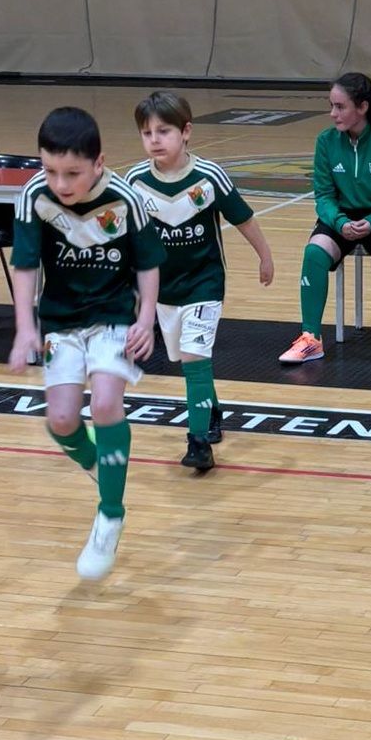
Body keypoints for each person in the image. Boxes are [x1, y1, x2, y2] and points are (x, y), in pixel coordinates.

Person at [6, 107, 166, 579]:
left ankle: (110, 514)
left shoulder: (126, 199)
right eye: (50, 170)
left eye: (72, 172)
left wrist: (146, 319)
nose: (60, 182)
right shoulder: (33, 197)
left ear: (98, 164)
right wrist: (24, 326)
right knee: (60, 420)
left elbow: (148, 265)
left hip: (113, 315)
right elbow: (25, 266)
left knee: (107, 406)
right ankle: (103, 466)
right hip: (61, 320)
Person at [127, 91, 274, 472]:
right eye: (147, 133)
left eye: (164, 131)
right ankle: (211, 409)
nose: (155, 140)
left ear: (186, 131)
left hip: (204, 283)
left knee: (195, 355)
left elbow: (243, 218)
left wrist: (265, 255)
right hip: (164, 290)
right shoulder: (135, 181)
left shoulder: (209, 177)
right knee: (187, 361)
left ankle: (198, 444)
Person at [278, 71, 371, 368]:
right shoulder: (326, 142)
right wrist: (339, 223)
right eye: (331, 106)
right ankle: (311, 338)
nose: (333, 114)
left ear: (362, 107)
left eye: (340, 106)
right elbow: (323, 196)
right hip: (341, 220)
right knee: (314, 252)